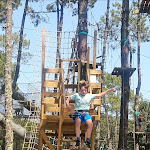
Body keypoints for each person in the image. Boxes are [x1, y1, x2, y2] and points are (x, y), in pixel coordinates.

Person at [66, 80, 116, 148]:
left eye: (85, 90)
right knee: (78, 121)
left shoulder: (89, 96)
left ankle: (87, 140)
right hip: (78, 112)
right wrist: (68, 104)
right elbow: (68, 99)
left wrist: (109, 90)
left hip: (86, 113)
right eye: (82, 90)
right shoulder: (77, 95)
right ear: (80, 90)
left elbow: (99, 95)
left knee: (90, 124)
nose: (83, 92)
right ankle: (78, 138)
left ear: (86, 90)